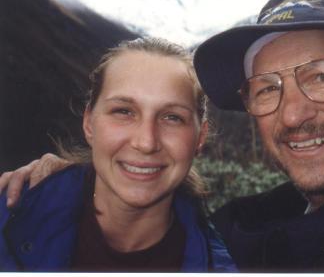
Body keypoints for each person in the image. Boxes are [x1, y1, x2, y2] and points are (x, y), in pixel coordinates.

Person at [2, 0, 324, 272]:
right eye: (267, 88)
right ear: (88, 122)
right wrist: (62, 187)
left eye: (323, 76)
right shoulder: (239, 232)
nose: (293, 115)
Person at [0, 37, 237, 272]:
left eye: (172, 117)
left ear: (200, 137)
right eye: (123, 111)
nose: (146, 142)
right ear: (89, 123)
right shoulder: (8, 220)